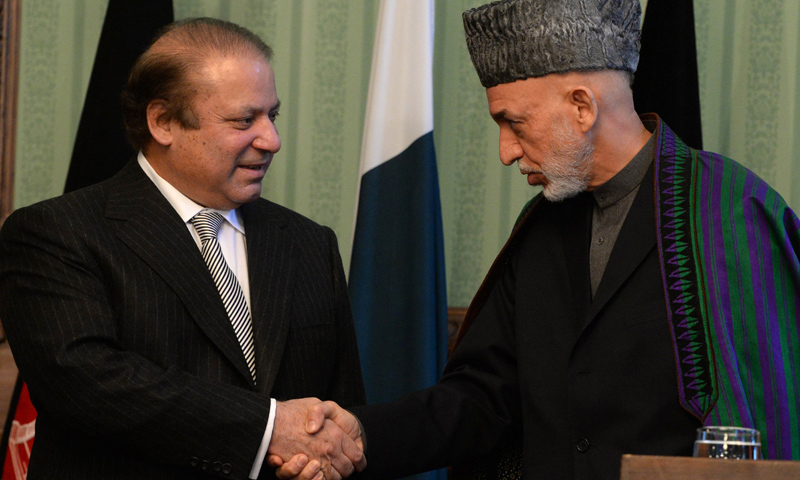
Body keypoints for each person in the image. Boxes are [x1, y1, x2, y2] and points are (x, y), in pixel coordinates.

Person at [273, 0, 800, 478]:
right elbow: (483, 400)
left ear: (582, 106)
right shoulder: (542, 227)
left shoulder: (729, 210)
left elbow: (767, 414)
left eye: (514, 122)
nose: (505, 151)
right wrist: (360, 436)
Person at [0, 18, 366, 480]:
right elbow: (90, 384)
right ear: (164, 121)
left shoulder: (310, 243)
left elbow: (341, 412)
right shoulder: (56, 233)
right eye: (243, 120)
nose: (271, 140)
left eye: (272, 115)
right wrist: (268, 430)